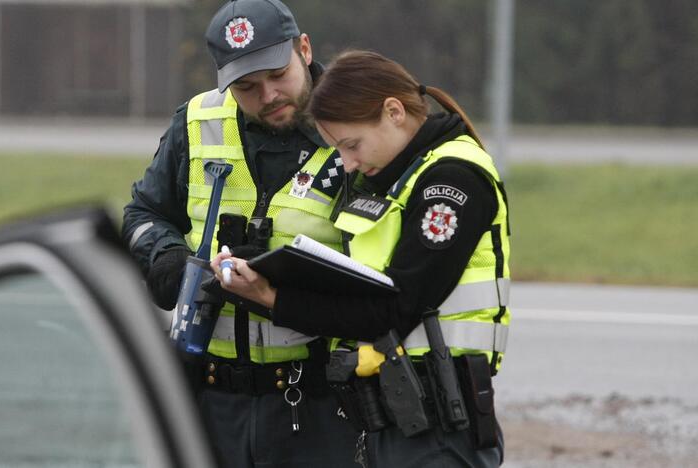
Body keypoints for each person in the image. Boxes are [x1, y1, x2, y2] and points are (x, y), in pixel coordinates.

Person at [211, 50, 511, 467]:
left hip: (440, 427)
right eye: (338, 151)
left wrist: (273, 298)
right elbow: (357, 281)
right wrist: (267, 268)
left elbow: (392, 310)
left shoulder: (451, 182)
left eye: (351, 146)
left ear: (394, 112)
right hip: (394, 421)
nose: (348, 163)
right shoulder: (395, 179)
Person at [121, 1, 359, 467]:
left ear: (304, 49)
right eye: (247, 86)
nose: (268, 95)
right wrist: (165, 258)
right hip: (210, 400)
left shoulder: (356, 125)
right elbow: (143, 213)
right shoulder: (197, 122)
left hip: (319, 401)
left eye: (277, 74)